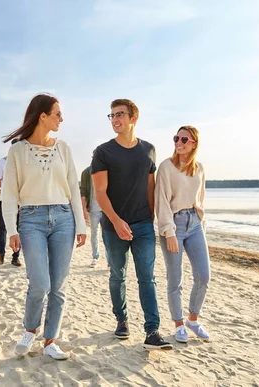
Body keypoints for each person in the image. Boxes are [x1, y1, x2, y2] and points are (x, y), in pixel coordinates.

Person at [2, 93, 86, 360]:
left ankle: (50, 340)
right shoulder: (17, 150)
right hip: (31, 219)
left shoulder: (64, 148)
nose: (61, 119)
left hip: (64, 218)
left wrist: (81, 225)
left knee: (58, 285)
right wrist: (11, 230)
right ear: (43, 116)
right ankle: (29, 331)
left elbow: (74, 187)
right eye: (57, 114)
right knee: (39, 283)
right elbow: (10, 193)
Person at [91, 98, 172, 350]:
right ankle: (122, 320)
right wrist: (116, 222)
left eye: (120, 114)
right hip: (113, 226)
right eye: (112, 115)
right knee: (118, 275)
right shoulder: (102, 152)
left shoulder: (148, 149)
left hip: (143, 225)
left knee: (147, 277)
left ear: (133, 118)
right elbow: (100, 193)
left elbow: (151, 186)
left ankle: (152, 331)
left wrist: (152, 217)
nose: (115, 119)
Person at [155, 126, 210, 343]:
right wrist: (168, 231)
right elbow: (161, 201)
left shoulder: (199, 168)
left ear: (194, 143)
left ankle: (192, 320)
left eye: (184, 139)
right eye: (176, 138)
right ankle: (178, 324)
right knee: (175, 278)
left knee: (204, 276)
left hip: (195, 224)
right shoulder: (166, 167)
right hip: (173, 225)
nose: (179, 142)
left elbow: (201, 198)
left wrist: (201, 224)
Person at [0, 138, 22, 267]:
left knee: (18, 229)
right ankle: (1, 255)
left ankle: (16, 257)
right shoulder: (3, 162)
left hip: (21, 201)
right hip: (5, 200)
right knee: (3, 228)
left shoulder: (23, 163)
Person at [80, 156, 105, 268]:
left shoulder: (107, 171)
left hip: (106, 209)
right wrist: (84, 209)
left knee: (107, 235)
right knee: (94, 234)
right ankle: (95, 257)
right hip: (93, 209)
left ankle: (110, 260)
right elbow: (83, 191)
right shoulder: (86, 172)